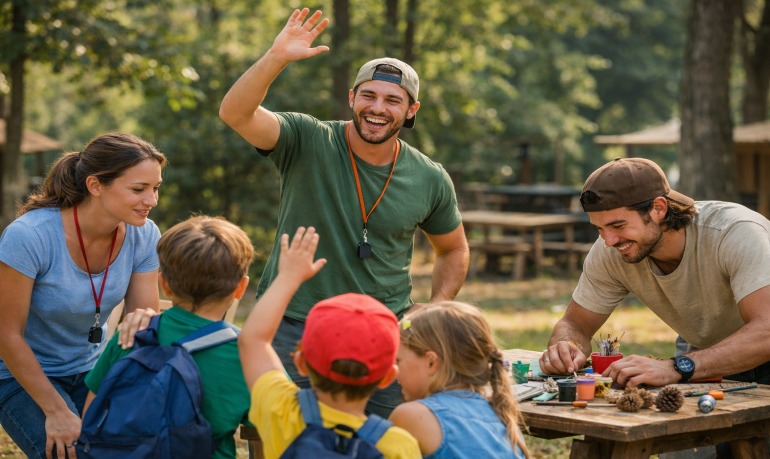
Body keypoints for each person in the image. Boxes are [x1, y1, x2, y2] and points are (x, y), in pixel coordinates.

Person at [219, 8, 469, 418]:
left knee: (387, 439)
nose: (378, 107)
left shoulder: (429, 177)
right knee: (284, 434)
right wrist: (276, 57)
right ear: (352, 98)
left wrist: (437, 304)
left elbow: (453, 249)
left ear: (411, 110)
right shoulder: (306, 138)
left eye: (393, 100)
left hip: (384, 333)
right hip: (295, 325)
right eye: (368, 95)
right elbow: (235, 113)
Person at [0, 133, 165, 459]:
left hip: (92, 369)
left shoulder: (144, 234)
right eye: (138, 189)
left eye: (156, 188)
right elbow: (7, 336)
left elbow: (142, 325)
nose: (152, 200)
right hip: (20, 376)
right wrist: (56, 410)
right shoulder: (29, 236)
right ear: (95, 185)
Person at [540, 158, 770, 391]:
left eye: (618, 226)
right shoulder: (612, 250)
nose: (608, 241)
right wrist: (566, 344)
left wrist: (675, 367)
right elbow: (575, 323)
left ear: (659, 208)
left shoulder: (735, 233)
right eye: (599, 228)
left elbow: (767, 331)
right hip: (703, 357)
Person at [238, 226, 421, 459]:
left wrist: (288, 278)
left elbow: (253, 340)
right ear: (388, 377)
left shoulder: (280, 409)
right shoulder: (399, 445)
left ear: (301, 363)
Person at [82, 216, 253, 459]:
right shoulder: (248, 352)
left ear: (164, 284)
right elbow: (278, 427)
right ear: (241, 287)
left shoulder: (131, 334)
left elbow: (91, 414)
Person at [389, 302, 529, 459]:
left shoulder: (412, 415)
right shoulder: (504, 418)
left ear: (431, 362)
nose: (394, 369)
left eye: (398, 361)